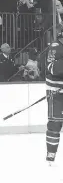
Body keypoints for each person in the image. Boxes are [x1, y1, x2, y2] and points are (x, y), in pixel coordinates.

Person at [45, 25, 63, 166]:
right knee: (55, 124)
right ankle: (51, 154)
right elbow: (51, 67)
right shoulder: (55, 47)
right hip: (56, 92)